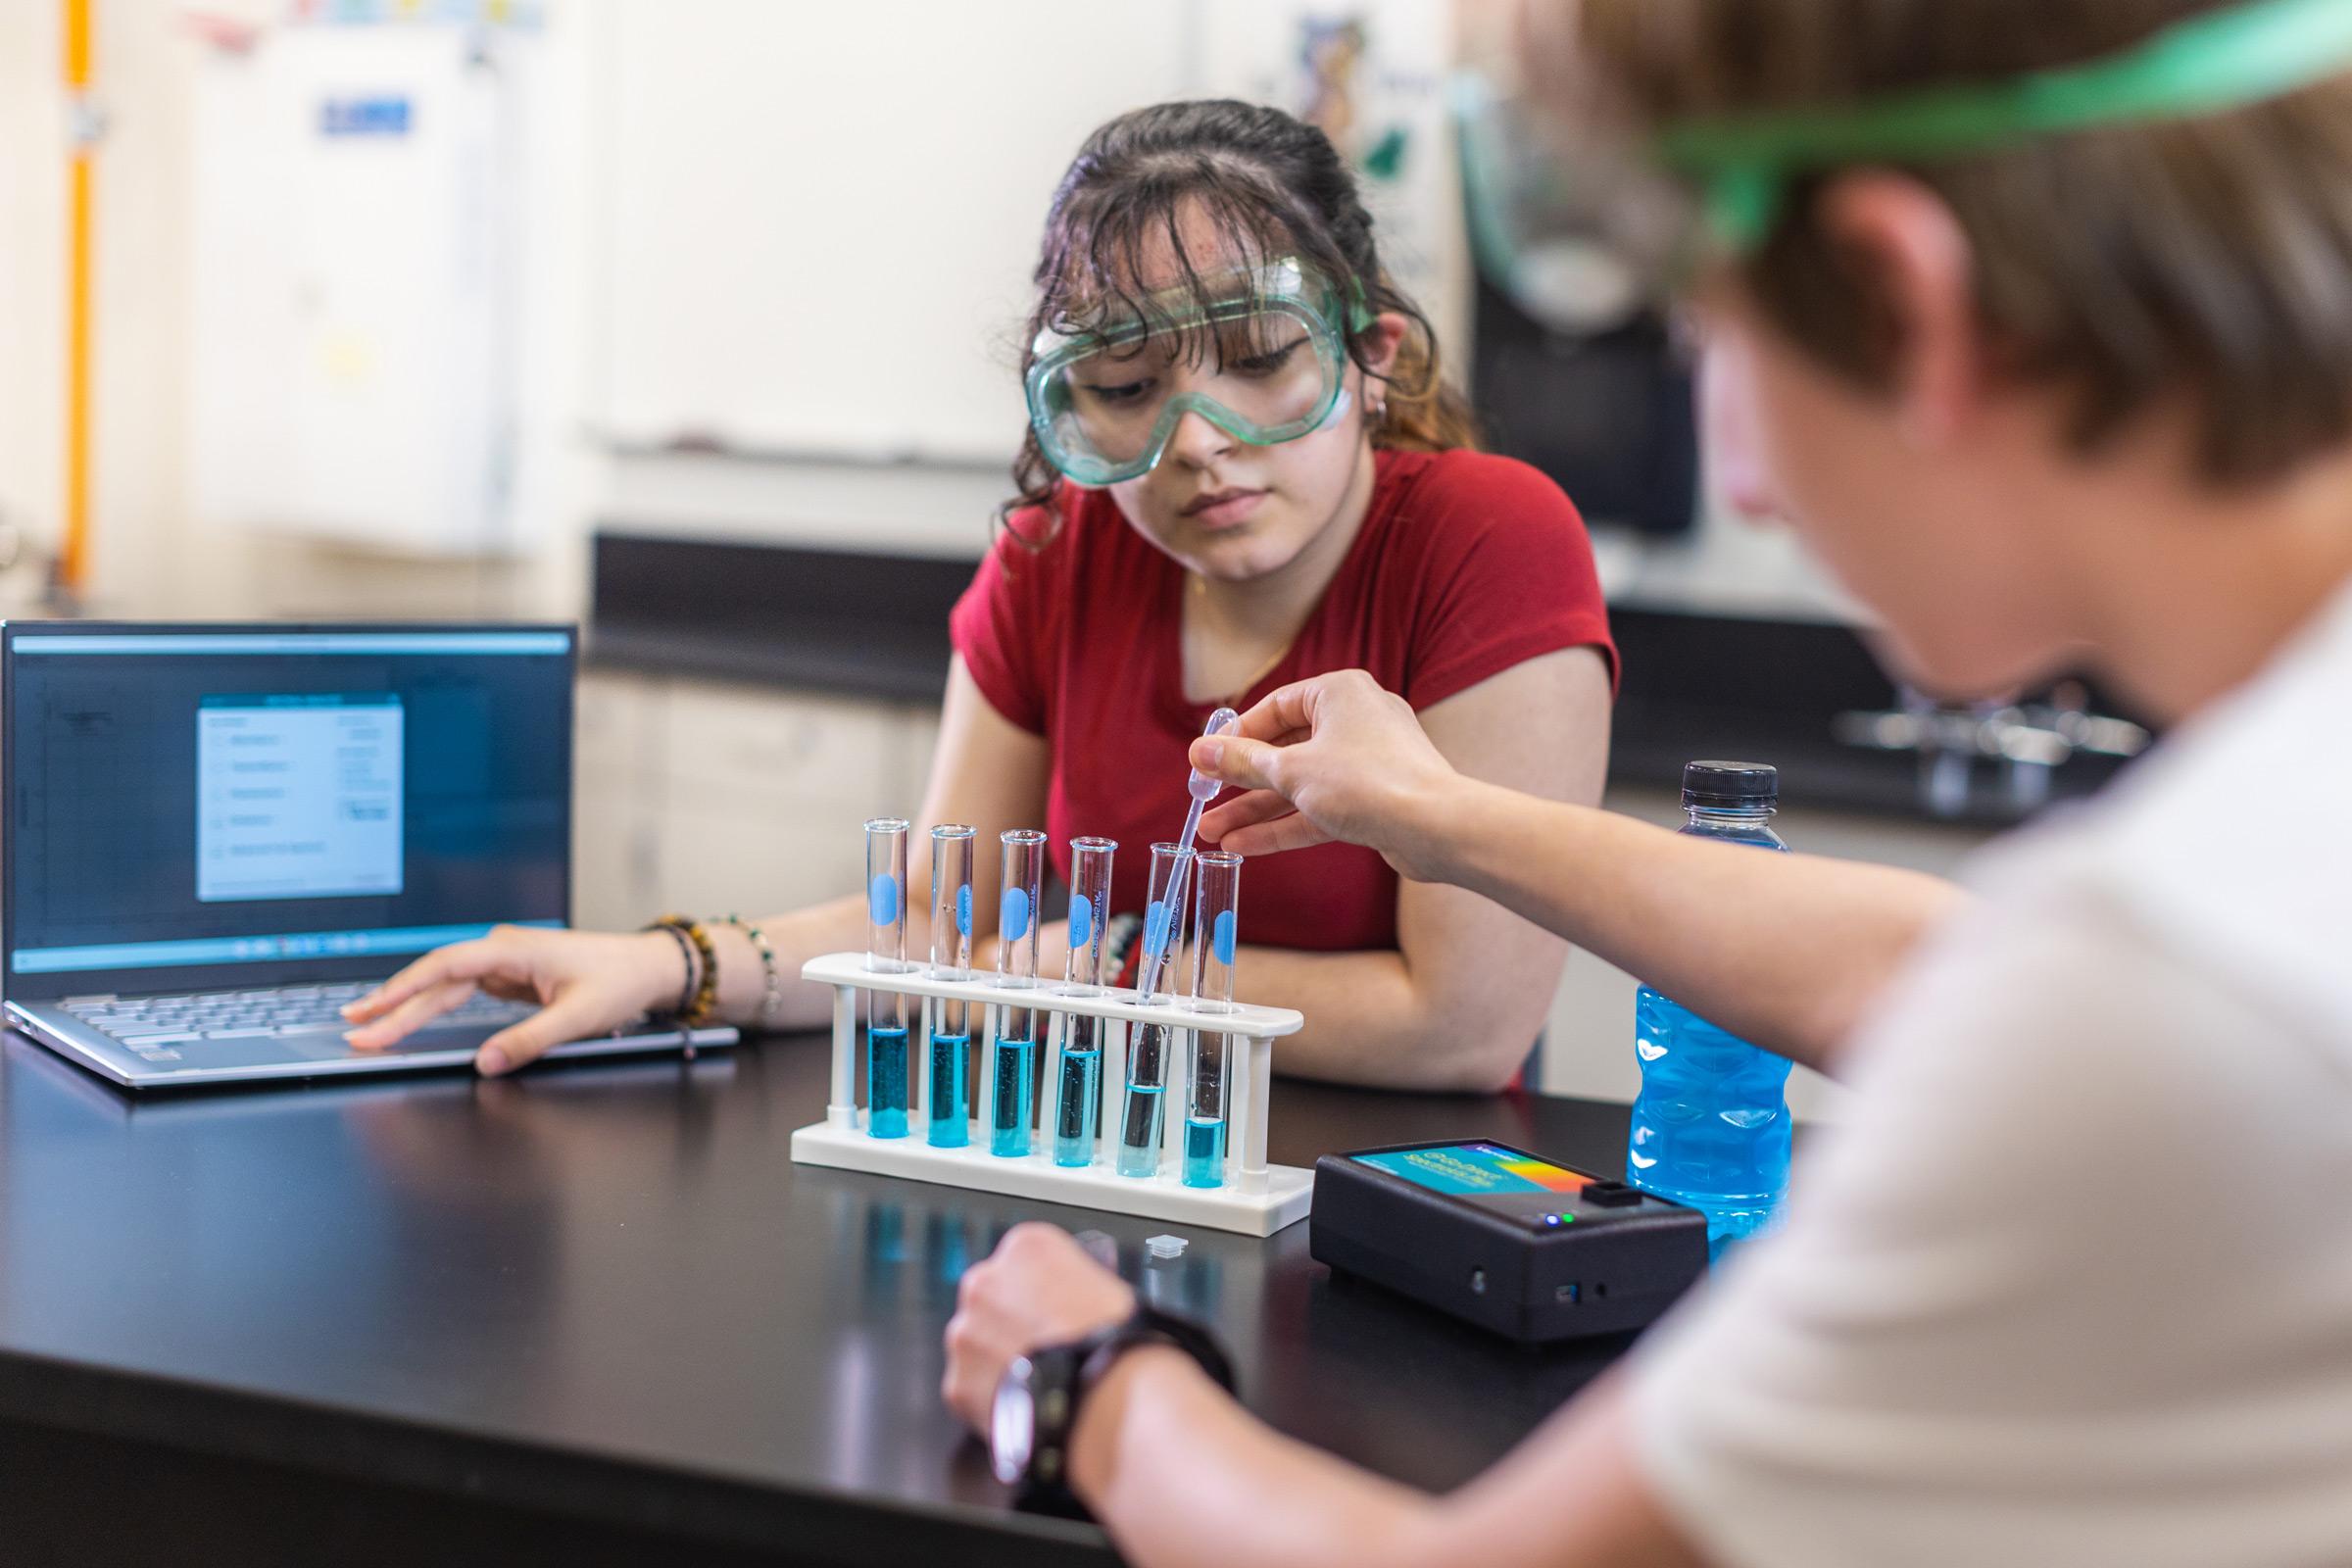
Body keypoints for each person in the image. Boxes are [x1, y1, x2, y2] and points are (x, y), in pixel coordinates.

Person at [939, 3, 2352, 1564]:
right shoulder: (2244, 883)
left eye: (1710, 332)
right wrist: (1446, 814)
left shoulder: (2180, 993)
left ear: (1902, 302)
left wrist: (1097, 1386)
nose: (1738, 475)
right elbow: (1949, 971)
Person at [340, 100, 1615, 1090]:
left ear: (1371, 357)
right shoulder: (1060, 554)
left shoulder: (1488, 535)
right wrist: (666, 967)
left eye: (1262, 361)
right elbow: (941, 929)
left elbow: (1458, 1028)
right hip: (1110, 1143)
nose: (1197, 439)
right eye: (1126, 388)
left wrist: (1114, 967)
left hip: (1380, 1209)